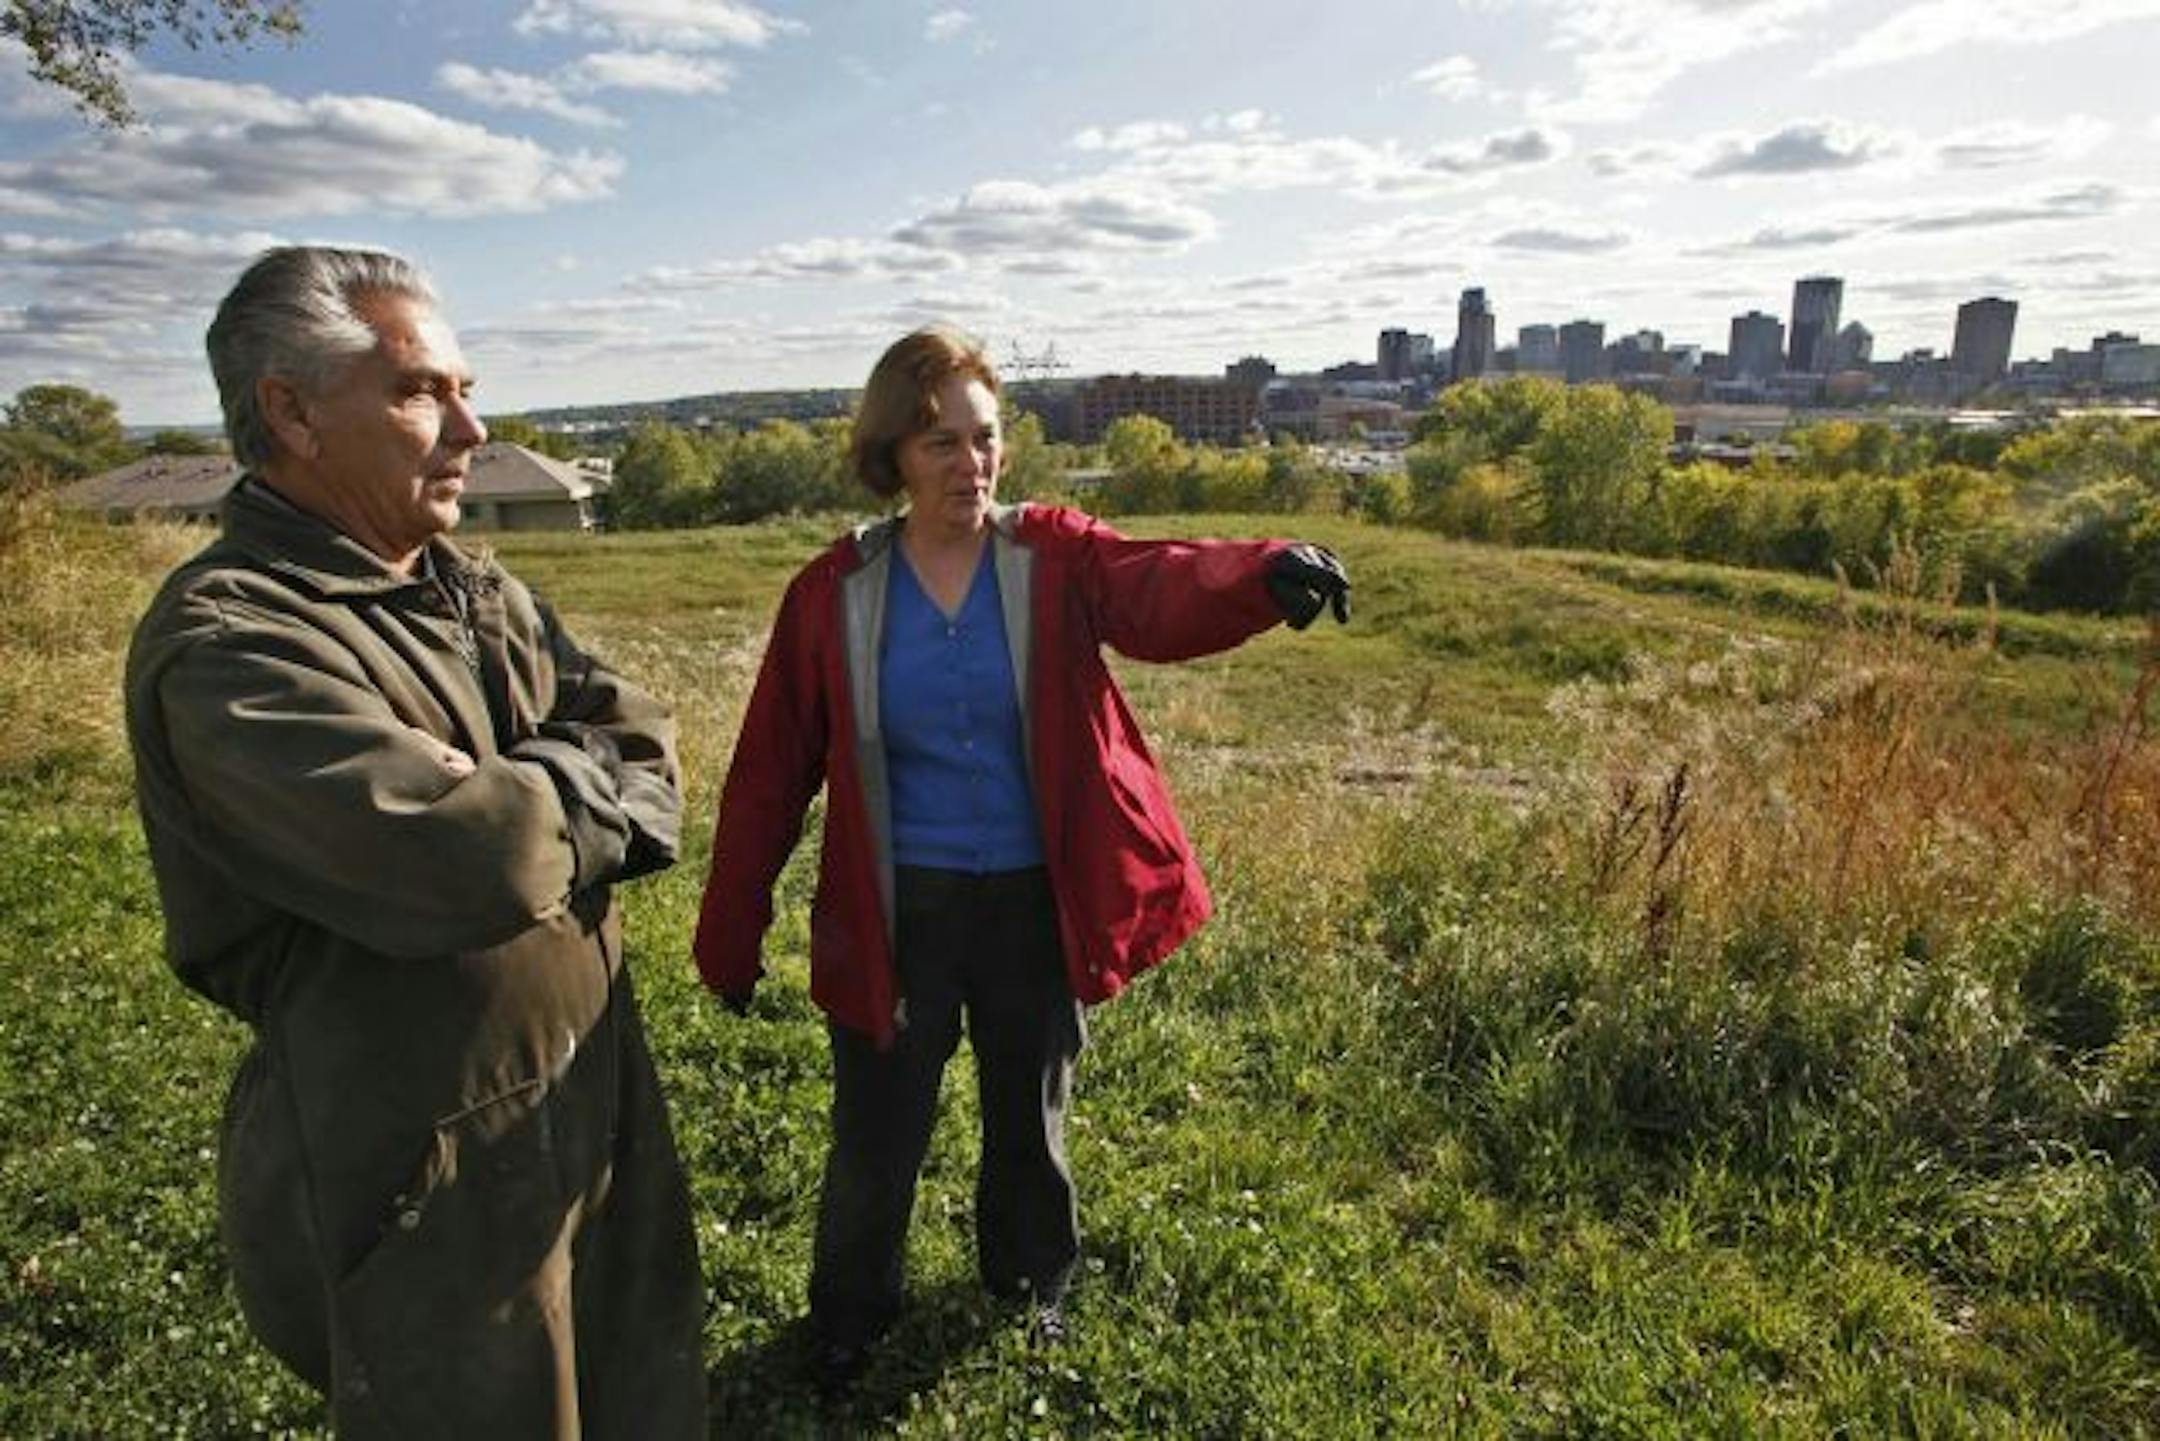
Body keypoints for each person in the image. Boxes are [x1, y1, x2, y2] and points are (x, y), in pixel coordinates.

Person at [690, 326, 1350, 1389]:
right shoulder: (835, 593)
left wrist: (1262, 572)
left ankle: (1028, 1283)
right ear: (892, 456)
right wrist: (731, 931)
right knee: (876, 1134)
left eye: (984, 438)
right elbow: (769, 771)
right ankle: (850, 1317)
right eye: (940, 442)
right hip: (898, 911)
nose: (971, 463)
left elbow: (1157, 584)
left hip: (1034, 901)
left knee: (1027, 1117)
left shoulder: (1051, 558)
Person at [124, 246, 705, 1438]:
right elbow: (476, 864)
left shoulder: (467, 585)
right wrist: (547, 787)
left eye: (462, 389)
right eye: (420, 391)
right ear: (289, 411)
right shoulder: (235, 641)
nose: (469, 429)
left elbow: (645, 741)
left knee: (639, 1386)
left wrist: (524, 786)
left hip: (592, 1101)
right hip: (424, 1164)